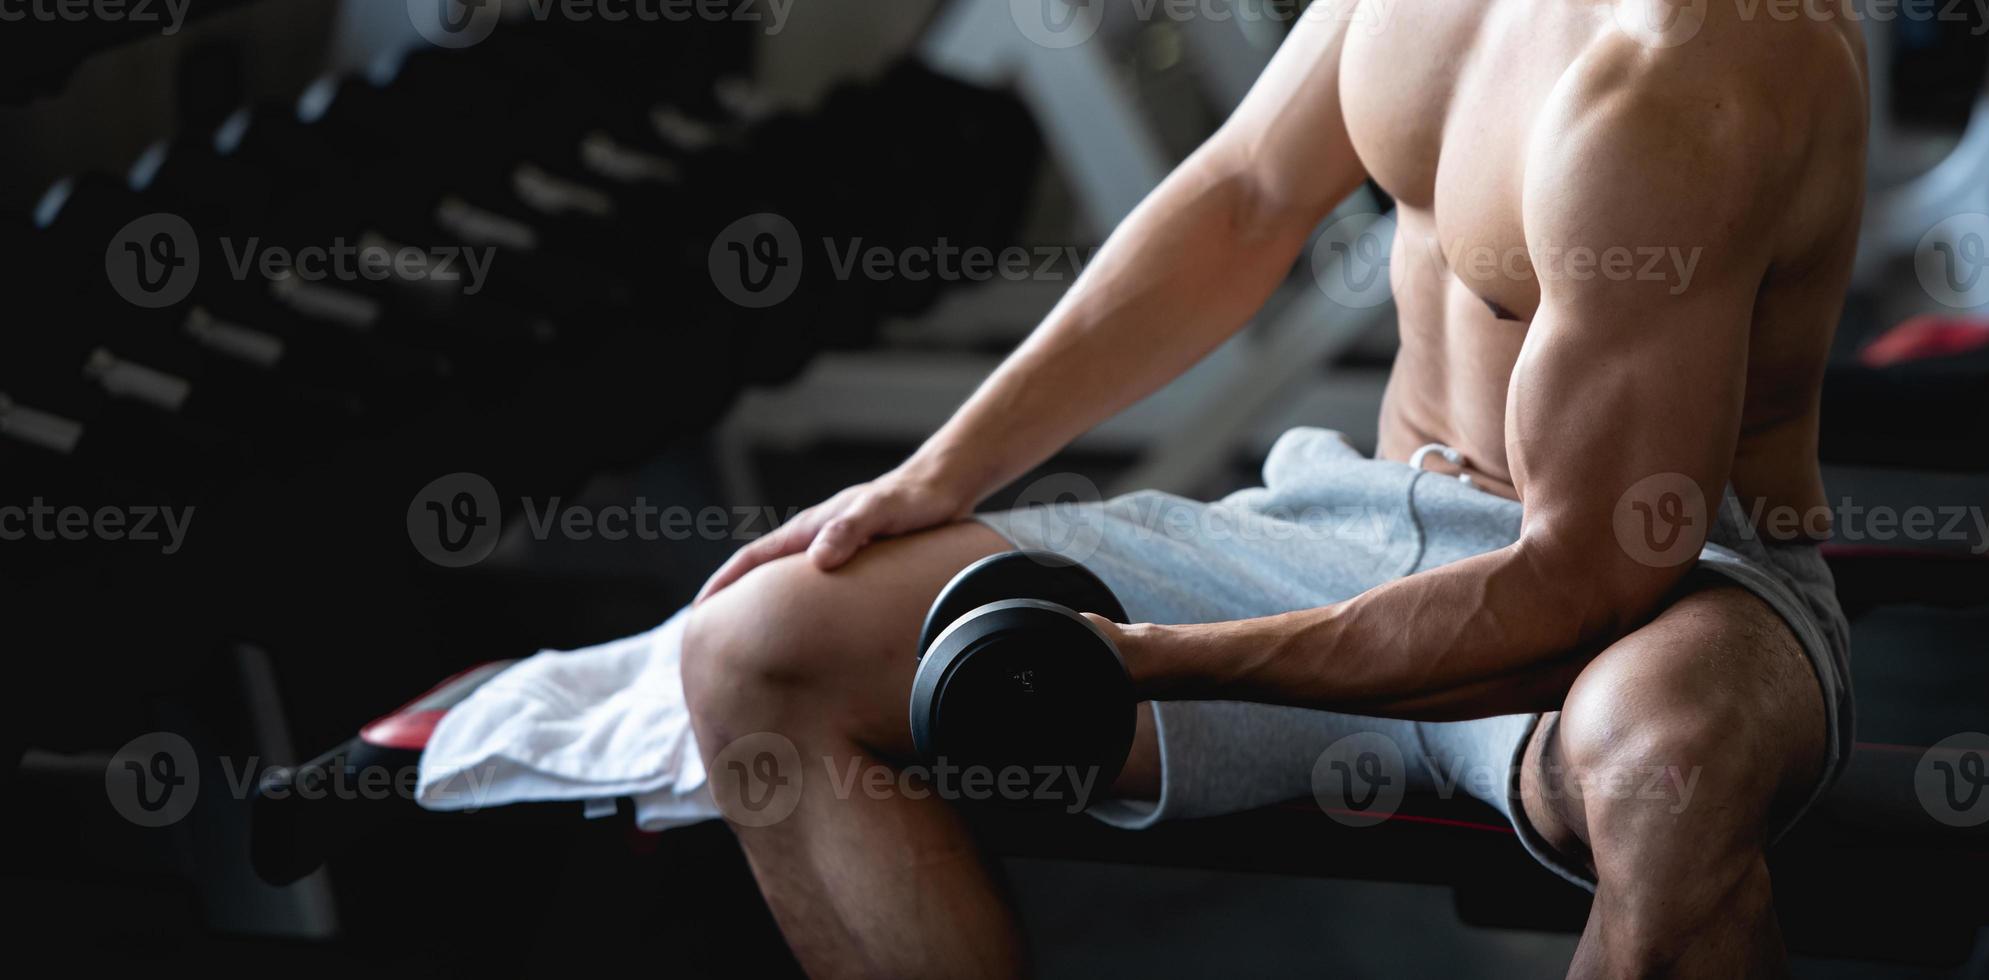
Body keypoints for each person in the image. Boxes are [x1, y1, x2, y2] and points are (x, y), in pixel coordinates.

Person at [682, 1, 1868, 975]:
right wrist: (939, 468)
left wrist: (1156, 658)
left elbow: (1583, 582)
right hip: (1356, 518)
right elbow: (1245, 195)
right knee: (759, 644)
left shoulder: (1696, 66)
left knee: (1670, 763)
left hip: (1671, 589)